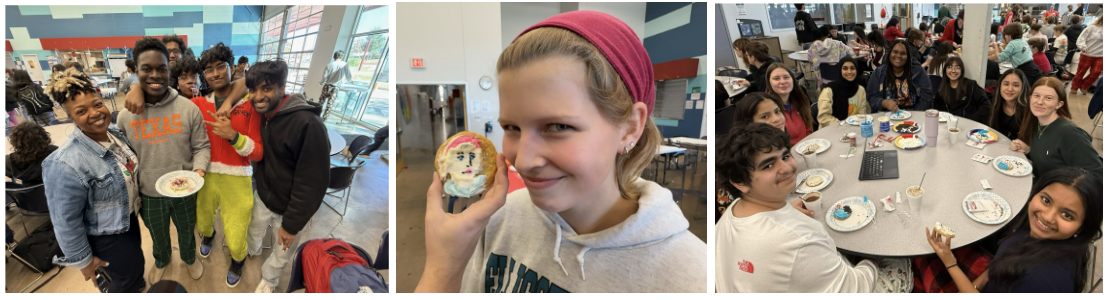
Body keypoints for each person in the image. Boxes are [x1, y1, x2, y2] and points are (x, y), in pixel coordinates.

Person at [414, 11, 705, 293]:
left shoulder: (692, 278)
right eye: (512, 127)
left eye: (558, 126)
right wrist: (444, 268)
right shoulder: (501, 218)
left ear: (630, 127)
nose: (524, 162)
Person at [715, 123, 878, 292]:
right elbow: (856, 288)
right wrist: (875, 261)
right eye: (768, 165)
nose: (787, 168)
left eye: (785, 156)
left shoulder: (734, 210)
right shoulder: (797, 239)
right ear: (739, 182)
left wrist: (788, 214)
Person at [115, 37, 210, 284]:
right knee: (157, 235)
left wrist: (198, 172)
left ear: (170, 69)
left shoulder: (189, 109)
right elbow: (123, 158)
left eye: (161, 68)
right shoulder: (125, 117)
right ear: (136, 71)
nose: (155, 74)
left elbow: (201, 146)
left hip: (185, 190)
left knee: (187, 231)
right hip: (148, 193)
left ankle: (190, 258)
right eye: (147, 69)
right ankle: (161, 260)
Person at [41, 69, 146, 292]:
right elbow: (65, 221)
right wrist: (84, 261)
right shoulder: (64, 163)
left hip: (127, 219)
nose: (95, 113)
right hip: (105, 237)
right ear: (70, 117)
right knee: (122, 281)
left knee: (134, 266)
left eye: (97, 104)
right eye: (81, 111)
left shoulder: (115, 134)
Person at [924, 166, 1102, 292]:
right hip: (995, 278)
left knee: (921, 262)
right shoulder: (1034, 232)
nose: (1047, 217)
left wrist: (950, 263)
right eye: (1046, 200)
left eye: (1067, 215)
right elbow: (995, 267)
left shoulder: (1039, 282)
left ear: (1083, 227)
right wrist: (975, 286)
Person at [244, 60, 330, 293]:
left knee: (282, 251)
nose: (258, 96)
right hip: (263, 195)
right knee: (253, 230)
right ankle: (251, 251)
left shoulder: (308, 125)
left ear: (282, 89)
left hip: (289, 208)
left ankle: (270, 280)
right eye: (253, 90)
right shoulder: (262, 113)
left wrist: (292, 225)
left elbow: (313, 183)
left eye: (267, 88)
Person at [189, 42, 264, 288]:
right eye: (208, 70)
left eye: (221, 66)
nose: (215, 73)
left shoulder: (250, 103)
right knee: (202, 219)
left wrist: (234, 137)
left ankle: (238, 261)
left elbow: (259, 152)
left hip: (238, 176)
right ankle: (209, 236)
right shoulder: (199, 104)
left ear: (232, 67)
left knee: (235, 231)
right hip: (206, 174)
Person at [1010, 77, 1102, 179]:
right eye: (1036, 96)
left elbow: (1097, 176)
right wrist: (1029, 150)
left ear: (1059, 104)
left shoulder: (1070, 134)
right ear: (1030, 98)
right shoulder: (1036, 123)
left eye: (1048, 98)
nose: (1040, 102)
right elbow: (1050, 157)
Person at [867, 39, 933, 112]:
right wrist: (883, 103)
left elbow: (926, 97)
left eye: (903, 53)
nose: (898, 56)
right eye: (895, 52)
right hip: (886, 117)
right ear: (889, 53)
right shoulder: (878, 73)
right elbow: (871, 97)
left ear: (908, 56)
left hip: (913, 116)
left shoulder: (918, 71)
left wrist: (914, 113)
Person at [764, 63, 814, 144]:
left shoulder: (800, 100)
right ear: (769, 83)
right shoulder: (766, 109)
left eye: (786, 77)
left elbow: (808, 129)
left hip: (806, 148)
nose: (783, 81)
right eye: (776, 78)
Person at [933, 57, 990, 123]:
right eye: (949, 67)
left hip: (968, 124)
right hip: (948, 125)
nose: (953, 70)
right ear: (945, 70)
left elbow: (986, 105)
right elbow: (938, 109)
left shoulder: (971, 85)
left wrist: (971, 120)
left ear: (961, 70)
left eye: (957, 67)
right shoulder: (942, 87)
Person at [817, 57, 869, 128]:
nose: (849, 72)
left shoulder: (860, 90)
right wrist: (842, 126)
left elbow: (861, 115)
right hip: (830, 130)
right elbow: (824, 117)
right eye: (845, 68)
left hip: (853, 130)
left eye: (852, 68)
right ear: (840, 71)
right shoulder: (829, 90)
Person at [6, 122, 58, 187]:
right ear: (43, 136)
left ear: (16, 141)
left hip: (26, 195)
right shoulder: (55, 152)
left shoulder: (9, 161)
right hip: (55, 192)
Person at [987, 70, 1031, 140]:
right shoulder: (996, 104)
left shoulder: (1029, 111)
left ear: (1023, 88)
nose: (1010, 89)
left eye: (1016, 85)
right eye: (1006, 84)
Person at [1071, 14, 1102, 95]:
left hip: (1101, 55)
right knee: (1081, 72)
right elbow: (1081, 39)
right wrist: (1083, 47)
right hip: (1087, 53)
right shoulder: (1092, 28)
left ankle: (1084, 85)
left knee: (1096, 72)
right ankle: (1074, 86)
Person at [318, 50, 352, 122]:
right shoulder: (345, 65)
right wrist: (350, 81)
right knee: (330, 104)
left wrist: (322, 82)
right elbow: (348, 76)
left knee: (321, 101)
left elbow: (325, 76)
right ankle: (324, 119)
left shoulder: (330, 65)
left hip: (327, 86)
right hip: (335, 87)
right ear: (341, 56)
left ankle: (316, 114)